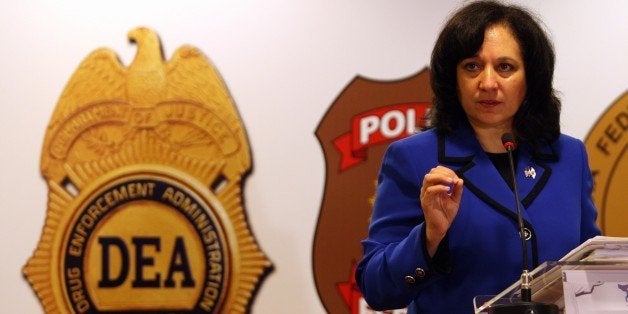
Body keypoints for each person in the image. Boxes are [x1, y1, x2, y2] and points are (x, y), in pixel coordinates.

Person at [355, 1, 601, 313]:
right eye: (472, 66)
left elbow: (588, 270)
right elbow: (377, 290)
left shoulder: (567, 156)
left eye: (505, 67)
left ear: (532, 77)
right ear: (452, 78)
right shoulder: (413, 158)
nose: (487, 83)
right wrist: (429, 238)